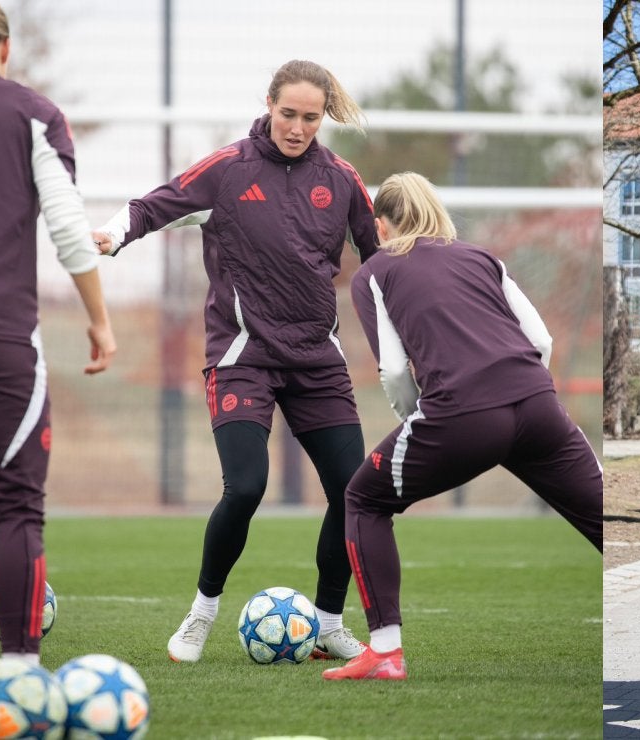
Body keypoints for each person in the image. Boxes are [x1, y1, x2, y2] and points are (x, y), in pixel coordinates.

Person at [92, 59, 376, 663]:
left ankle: (328, 623)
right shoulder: (228, 170)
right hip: (243, 357)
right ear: (268, 105)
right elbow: (154, 205)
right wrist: (114, 233)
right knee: (245, 487)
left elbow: (380, 261)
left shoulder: (343, 178)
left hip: (317, 361)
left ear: (323, 116)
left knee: (354, 493)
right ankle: (201, 615)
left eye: (311, 117)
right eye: (288, 114)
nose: (298, 127)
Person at [323, 172, 603, 681]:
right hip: (538, 406)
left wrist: (421, 423)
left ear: (380, 227)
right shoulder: (483, 257)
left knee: (362, 498)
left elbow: (390, 370)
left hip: (461, 417)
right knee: (607, 520)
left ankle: (385, 652)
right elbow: (540, 341)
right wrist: (527, 398)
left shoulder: (375, 272)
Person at [0, 0, 117, 662]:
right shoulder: (31, 113)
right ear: (5, 50)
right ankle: (21, 673)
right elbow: (66, 227)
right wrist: (99, 320)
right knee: (16, 511)